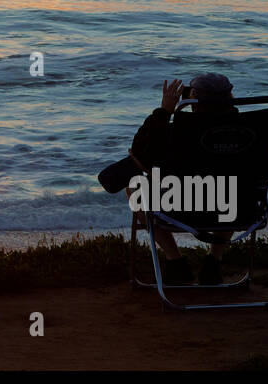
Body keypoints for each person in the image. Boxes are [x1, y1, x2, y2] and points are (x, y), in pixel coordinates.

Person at [99, 73, 237, 286]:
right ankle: (214, 262)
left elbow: (139, 151)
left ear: (193, 103)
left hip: (178, 209)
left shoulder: (177, 133)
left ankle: (176, 262)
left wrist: (164, 111)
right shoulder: (247, 134)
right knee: (234, 185)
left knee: (134, 186)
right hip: (233, 207)